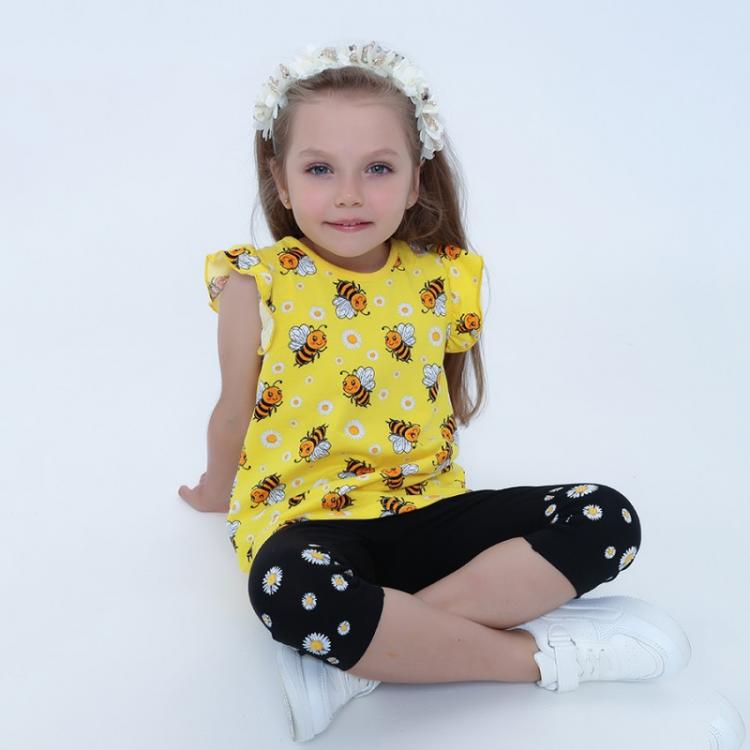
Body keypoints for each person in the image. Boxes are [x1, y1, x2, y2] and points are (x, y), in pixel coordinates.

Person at [179, 40, 692, 743]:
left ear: (416, 179)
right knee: (288, 590)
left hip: (429, 509)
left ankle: (369, 653)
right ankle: (537, 660)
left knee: (606, 518)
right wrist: (218, 489)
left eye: (378, 168)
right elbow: (234, 407)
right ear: (281, 178)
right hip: (308, 521)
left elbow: (436, 391)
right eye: (321, 169)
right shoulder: (256, 281)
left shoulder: (442, 277)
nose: (350, 193)